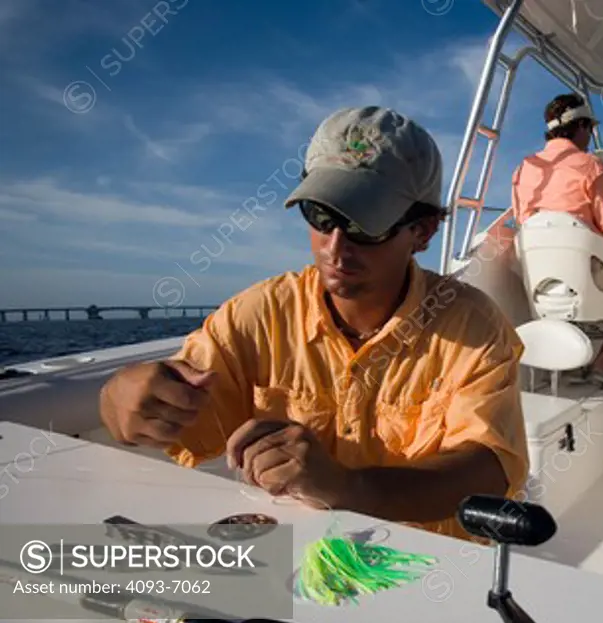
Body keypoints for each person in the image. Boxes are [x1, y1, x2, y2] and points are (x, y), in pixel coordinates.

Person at [99, 106, 530, 541]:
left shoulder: (474, 327)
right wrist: (120, 399)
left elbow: (487, 470)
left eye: (366, 224)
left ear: (423, 231)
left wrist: (348, 487)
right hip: (297, 564)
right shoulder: (258, 316)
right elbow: (168, 416)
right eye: (321, 215)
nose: (335, 248)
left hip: (424, 564)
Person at [511, 93, 603, 382]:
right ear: (579, 127)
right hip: (584, 280)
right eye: (590, 128)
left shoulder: (523, 169)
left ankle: (560, 367)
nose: (590, 136)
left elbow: (525, 225)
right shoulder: (591, 166)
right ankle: (602, 363)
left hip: (539, 284)